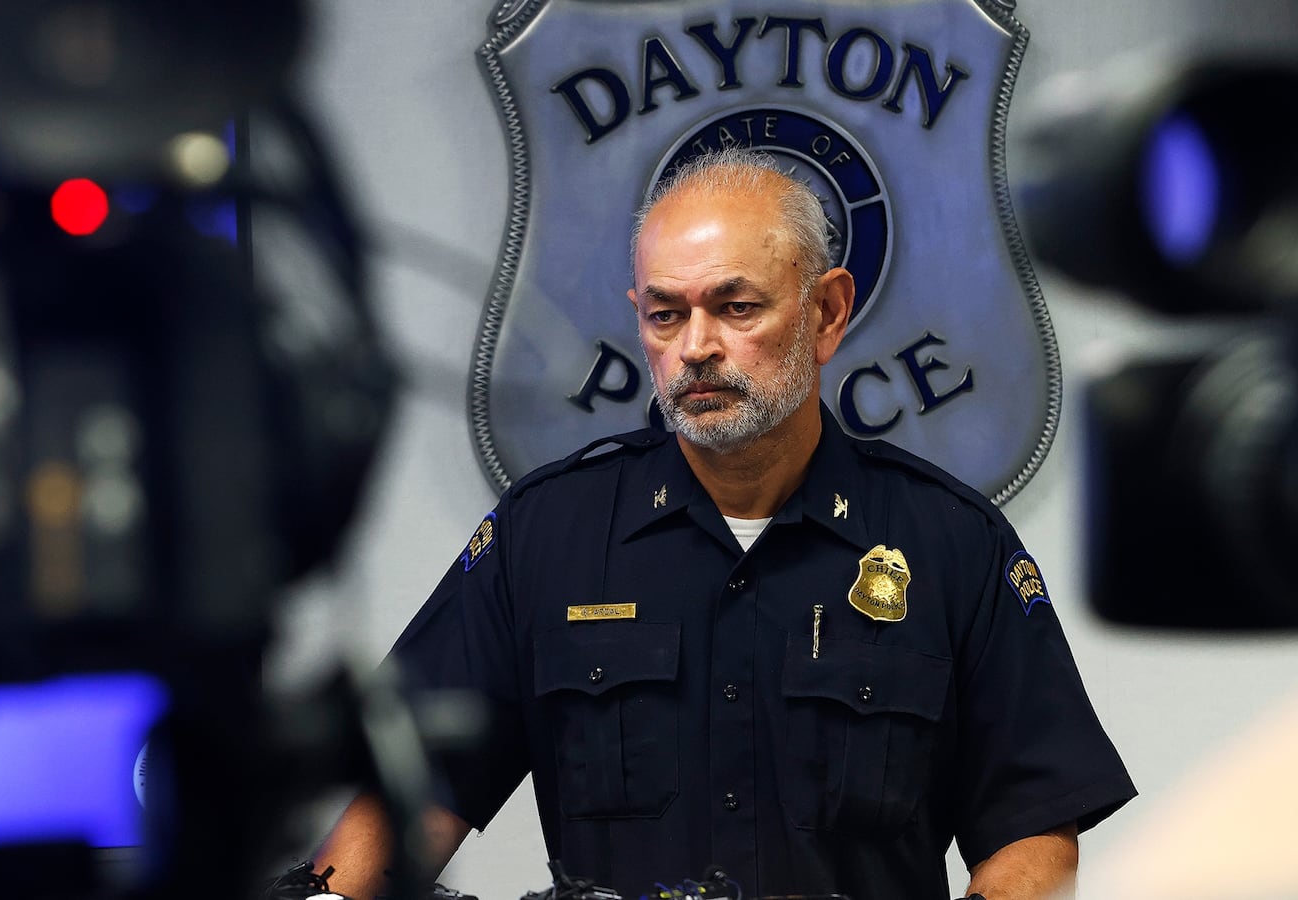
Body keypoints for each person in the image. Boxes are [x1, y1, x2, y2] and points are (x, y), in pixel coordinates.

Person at [314, 147, 1136, 900]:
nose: (696, 347)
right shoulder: (546, 538)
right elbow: (404, 797)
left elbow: (1033, 828)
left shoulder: (951, 542)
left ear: (826, 313)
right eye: (665, 316)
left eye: (735, 306)